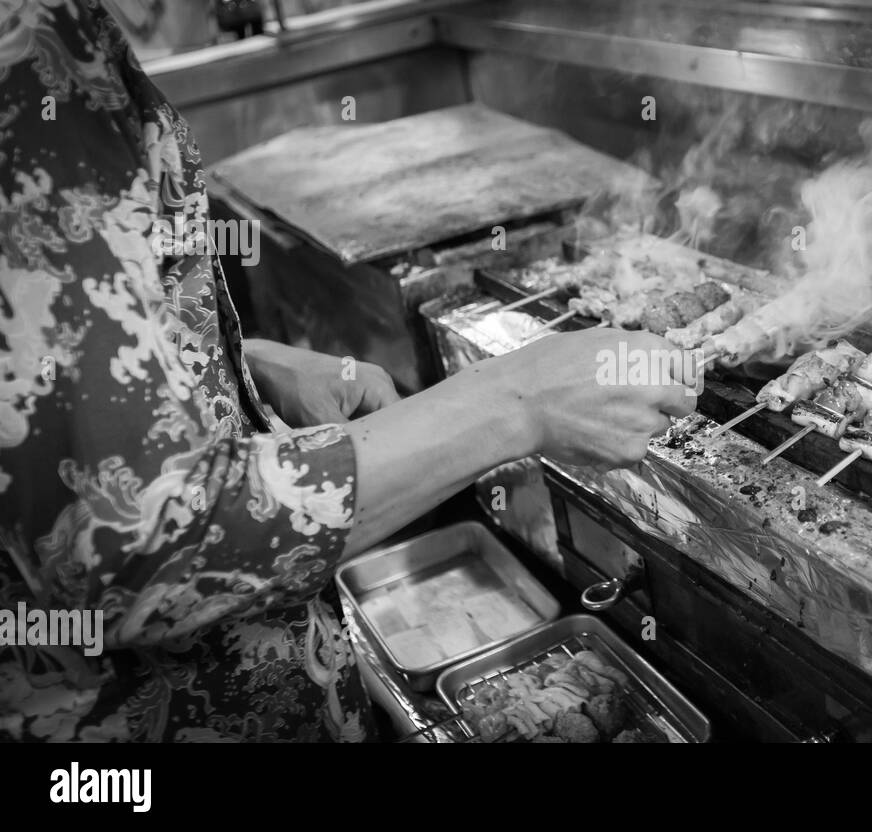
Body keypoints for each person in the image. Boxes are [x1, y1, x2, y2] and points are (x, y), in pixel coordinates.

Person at [0, 1, 695, 741]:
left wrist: (240, 367)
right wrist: (520, 402)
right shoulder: (28, 55)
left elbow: (48, 377)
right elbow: (128, 547)